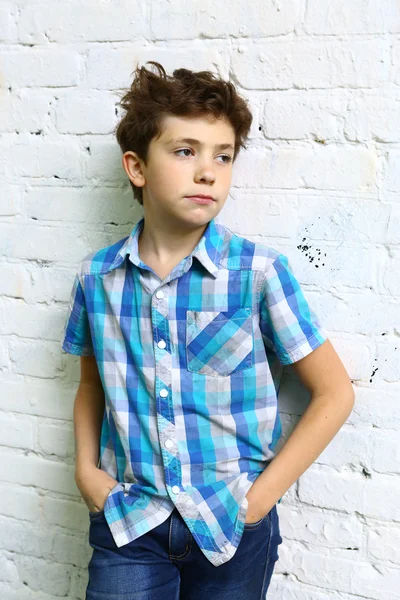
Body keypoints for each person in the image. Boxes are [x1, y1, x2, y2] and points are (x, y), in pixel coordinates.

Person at [61, 61, 355, 599]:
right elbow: (91, 384)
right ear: (137, 167)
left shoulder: (258, 274)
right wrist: (86, 471)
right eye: (184, 151)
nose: (208, 171)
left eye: (223, 156)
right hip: (130, 523)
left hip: (232, 526)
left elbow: (334, 392)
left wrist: (259, 500)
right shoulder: (97, 278)